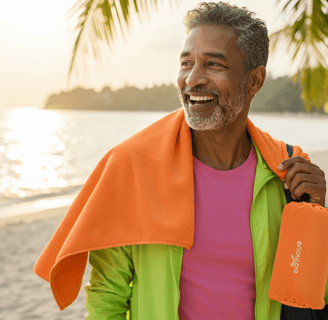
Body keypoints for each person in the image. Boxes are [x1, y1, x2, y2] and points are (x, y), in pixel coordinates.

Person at [34, 2, 327, 319]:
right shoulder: (134, 167)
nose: (193, 79)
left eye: (213, 64)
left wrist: (315, 215)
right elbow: (107, 297)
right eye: (186, 63)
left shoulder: (287, 169)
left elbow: (310, 293)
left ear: (254, 80)